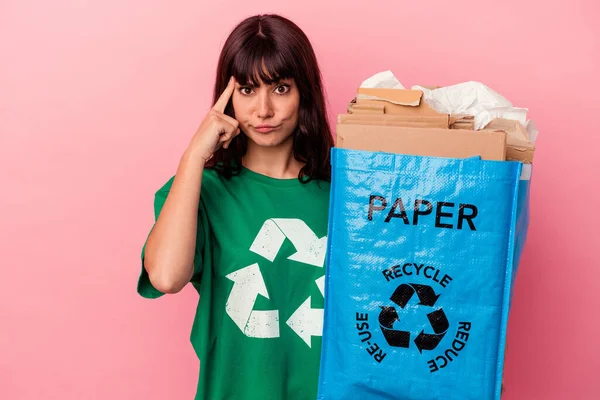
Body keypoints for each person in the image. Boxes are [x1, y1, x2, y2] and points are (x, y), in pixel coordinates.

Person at [137, 13, 334, 400]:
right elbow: (165, 276)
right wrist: (195, 155)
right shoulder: (199, 192)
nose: (263, 110)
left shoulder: (345, 195)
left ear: (303, 93)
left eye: (280, 88)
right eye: (246, 90)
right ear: (226, 98)